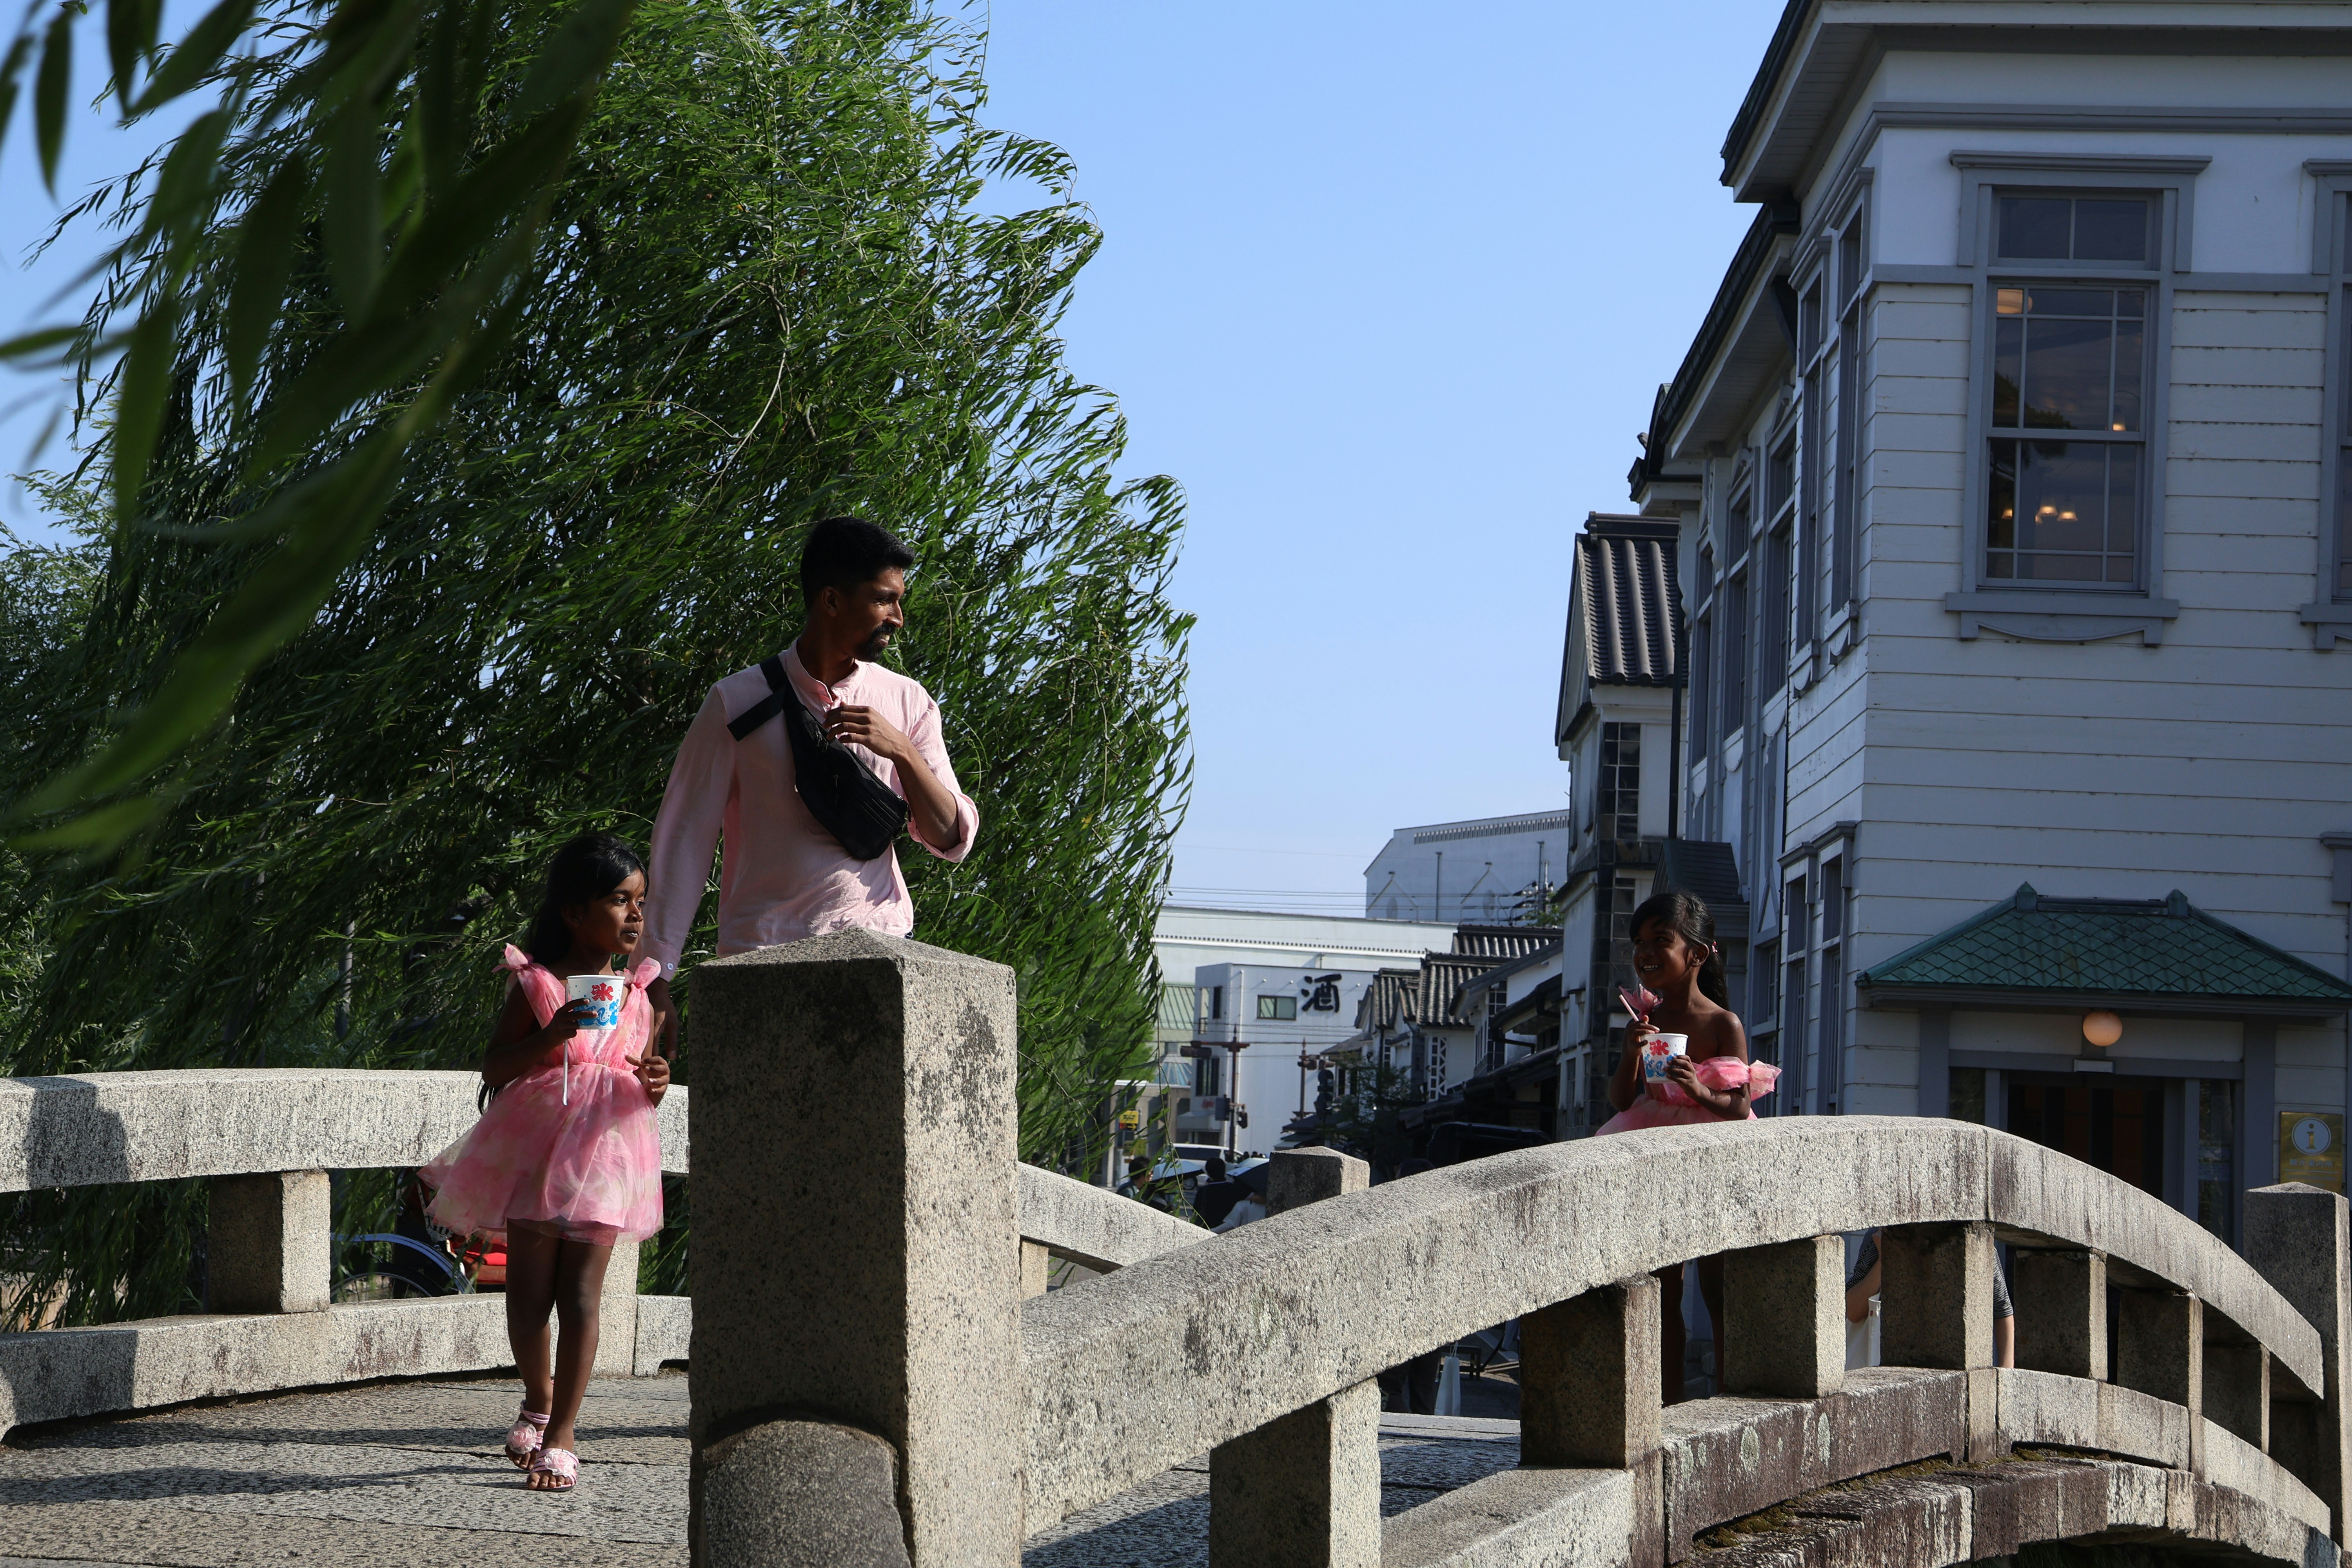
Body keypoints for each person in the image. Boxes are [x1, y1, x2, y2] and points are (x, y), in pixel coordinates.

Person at [640, 515, 980, 1041]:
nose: (899, 618)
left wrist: (902, 752)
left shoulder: (908, 702)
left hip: (878, 952)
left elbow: (950, 837)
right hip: (762, 961)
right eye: (884, 600)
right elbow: (684, 840)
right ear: (831, 601)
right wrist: (654, 976)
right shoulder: (736, 702)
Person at [420, 833, 669, 1492]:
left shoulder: (641, 991)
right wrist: (552, 1035)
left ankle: (563, 1432)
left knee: (582, 1296)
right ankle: (537, 1395)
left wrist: (656, 1078)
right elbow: (495, 1066)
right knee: (529, 1296)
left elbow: (638, 1071)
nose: (636, 916)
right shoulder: (538, 983)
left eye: (640, 901)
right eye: (620, 901)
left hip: (608, 1151)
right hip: (537, 1148)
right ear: (573, 912)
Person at [1595, 889, 1779, 1403]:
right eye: (1639, 942)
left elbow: (1740, 1104)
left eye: (1661, 941)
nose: (1646, 952)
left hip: (1715, 1156)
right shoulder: (1645, 1021)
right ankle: (1666, 1404)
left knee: (1719, 1288)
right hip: (1654, 1149)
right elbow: (1620, 1099)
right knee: (1663, 1288)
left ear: (1697, 954)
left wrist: (1697, 1089)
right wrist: (1630, 1053)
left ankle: (1727, 1400)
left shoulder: (1723, 1024)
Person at [1844, 1229, 2014, 1368]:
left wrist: (2005, 1382)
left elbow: (2002, 1311)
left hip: (1954, 1370)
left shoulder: (1976, 1243)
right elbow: (1852, 1311)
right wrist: (1887, 1257)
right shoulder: (1878, 1237)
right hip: (1888, 1370)